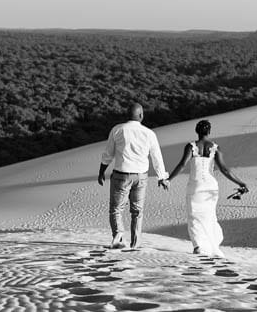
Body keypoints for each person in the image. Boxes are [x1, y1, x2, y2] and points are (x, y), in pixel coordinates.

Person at [167, 119, 248, 256]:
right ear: (209, 131)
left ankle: (198, 246)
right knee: (209, 216)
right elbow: (225, 170)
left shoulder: (191, 146)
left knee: (194, 216)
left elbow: (181, 165)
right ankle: (209, 245)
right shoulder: (215, 148)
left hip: (195, 186)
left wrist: (168, 179)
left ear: (196, 131)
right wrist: (240, 183)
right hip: (211, 187)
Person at [97, 103, 169, 249]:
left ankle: (118, 235)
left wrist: (101, 171)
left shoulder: (117, 130)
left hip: (121, 175)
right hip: (141, 177)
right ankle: (135, 244)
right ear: (141, 115)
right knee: (137, 211)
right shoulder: (149, 133)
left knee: (116, 209)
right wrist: (162, 177)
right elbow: (156, 157)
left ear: (126, 115)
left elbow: (108, 154)